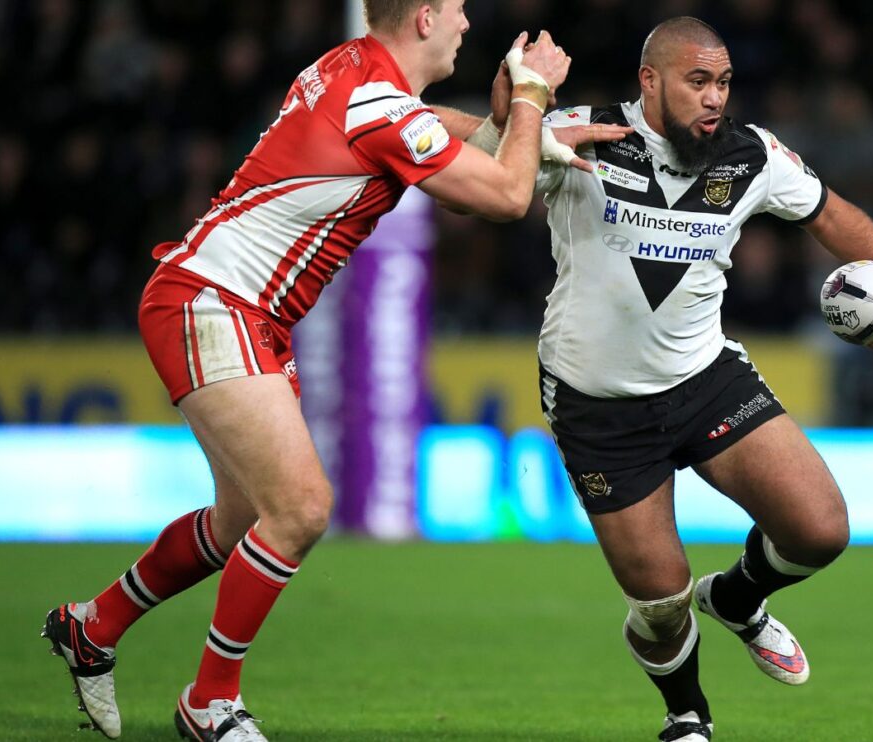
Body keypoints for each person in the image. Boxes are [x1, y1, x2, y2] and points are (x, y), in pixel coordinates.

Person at [39, 2, 628, 739]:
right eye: (456, 9)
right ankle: (209, 700)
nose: (468, 23)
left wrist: (516, 129)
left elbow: (430, 132)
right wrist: (533, 99)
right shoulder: (378, 101)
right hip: (213, 303)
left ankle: (95, 627)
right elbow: (506, 197)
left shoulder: (348, 68)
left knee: (242, 521)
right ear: (421, 19)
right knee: (302, 508)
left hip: (232, 308)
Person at [472, 17, 873, 741]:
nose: (715, 97)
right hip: (599, 405)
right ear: (649, 81)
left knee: (820, 530)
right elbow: (474, 178)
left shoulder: (752, 155)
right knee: (659, 604)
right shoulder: (580, 130)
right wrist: (511, 120)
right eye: (698, 82)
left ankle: (740, 598)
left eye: (722, 82)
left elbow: (830, 214)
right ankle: (686, 715)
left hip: (703, 380)